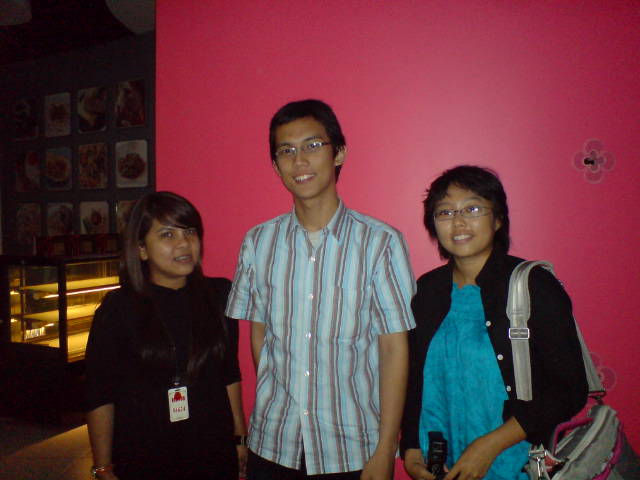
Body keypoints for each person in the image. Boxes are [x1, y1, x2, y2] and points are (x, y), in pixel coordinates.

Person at [225, 99, 416, 479]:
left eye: (313, 146)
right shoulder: (257, 242)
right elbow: (259, 332)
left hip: (351, 448)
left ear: (339, 152)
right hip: (273, 441)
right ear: (275, 164)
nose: (299, 161)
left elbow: (394, 348)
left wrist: (384, 450)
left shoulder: (380, 243)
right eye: (286, 150)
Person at [400, 166, 588, 480]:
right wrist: (410, 446)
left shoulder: (533, 286)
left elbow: (569, 389)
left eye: (472, 208)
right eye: (445, 212)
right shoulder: (427, 291)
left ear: (498, 219)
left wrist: (488, 446)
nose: (458, 222)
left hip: (514, 464)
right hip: (442, 465)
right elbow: (414, 376)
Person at [85, 191, 247, 480]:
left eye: (190, 232)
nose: (184, 243)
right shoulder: (118, 308)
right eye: (168, 235)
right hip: (144, 452)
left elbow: (229, 372)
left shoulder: (220, 294)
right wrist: (103, 466)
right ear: (142, 249)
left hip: (212, 447)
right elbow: (100, 393)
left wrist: (239, 439)